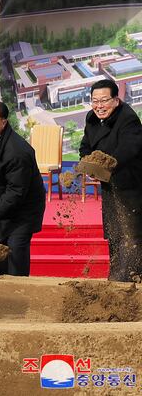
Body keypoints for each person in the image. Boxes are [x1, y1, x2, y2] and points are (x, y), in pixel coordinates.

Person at [79, 79, 142, 282]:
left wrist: (106, 165)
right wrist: (88, 164)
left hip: (132, 187)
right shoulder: (92, 118)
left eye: (104, 100)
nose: (99, 106)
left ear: (116, 100)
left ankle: (130, 282)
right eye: (94, 101)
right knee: (115, 235)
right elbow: (85, 146)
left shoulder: (128, 119)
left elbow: (129, 150)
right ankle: (115, 280)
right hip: (109, 187)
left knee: (132, 237)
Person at [0, 101, 46, 277]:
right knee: (1, 256)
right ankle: (4, 294)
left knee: (15, 256)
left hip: (23, 212)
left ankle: (19, 296)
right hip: (3, 209)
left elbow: (16, 192)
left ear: (4, 122)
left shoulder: (18, 152)